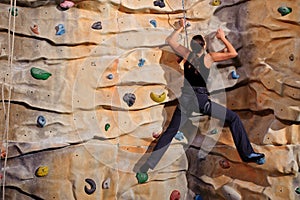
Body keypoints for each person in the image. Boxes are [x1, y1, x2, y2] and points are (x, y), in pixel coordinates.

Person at [139, 19, 265, 172]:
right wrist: (222, 38)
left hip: (185, 100)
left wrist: (180, 27)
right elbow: (233, 53)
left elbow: (170, 41)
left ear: (192, 47)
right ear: (204, 46)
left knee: (170, 132)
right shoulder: (209, 57)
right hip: (201, 100)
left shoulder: (186, 54)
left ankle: (148, 165)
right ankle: (248, 154)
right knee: (233, 118)